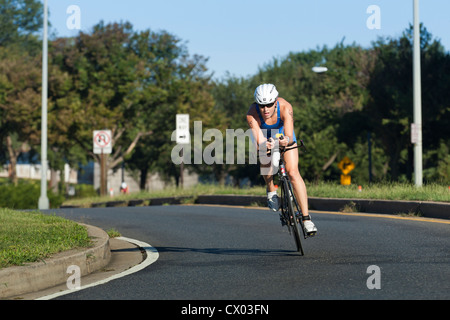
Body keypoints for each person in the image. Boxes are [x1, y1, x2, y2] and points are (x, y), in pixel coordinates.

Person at [246, 83, 317, 235]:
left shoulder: (285, 107)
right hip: (265, 138)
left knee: (292, 172)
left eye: (269, 105)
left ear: (276, 101)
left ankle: (306, 219)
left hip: (284, 136)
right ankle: (271, 188)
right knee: (264, 157)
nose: (265, 109)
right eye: (262, 105)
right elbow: (259, 140)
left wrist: (284, 141)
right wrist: (268, 145)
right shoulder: (252, 113)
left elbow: (290, 136)